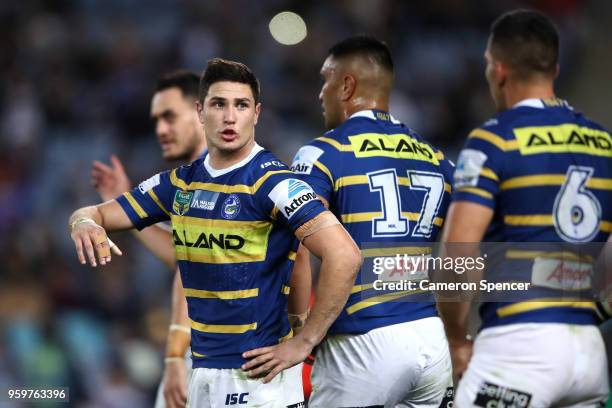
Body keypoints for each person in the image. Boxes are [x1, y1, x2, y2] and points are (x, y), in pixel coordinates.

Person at [69, 58, 362, 407]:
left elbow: (344, 254)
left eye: (241, 105)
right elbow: (98, 212)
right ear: (200, 110)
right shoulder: (179, 184)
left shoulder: (275, 183)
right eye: (218, 104)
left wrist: (305, 340)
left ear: (256, 113)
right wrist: (83, 222)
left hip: (258, 381)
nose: (229, 117)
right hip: (204, 373)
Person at [437, 9, 610, 406]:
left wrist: (456, 337)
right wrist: (597, 313)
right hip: (588, 354)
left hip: (519, 349)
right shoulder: (604, 144)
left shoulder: (495, 140)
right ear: (555, 68)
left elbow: (459, 254)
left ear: (498, 70)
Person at [271, 35, 455, 407]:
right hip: (432, 339)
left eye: (325, 80)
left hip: (361, 341)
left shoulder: (323, 152)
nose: (320, 93)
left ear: (347, 86)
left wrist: (302, 332)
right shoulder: (438, 159)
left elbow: (298, 248)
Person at [91, 70, 206, 408]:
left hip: (211, 349)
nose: (160, 130)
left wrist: (174, 356)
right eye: (156, 120)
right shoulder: (193, 179)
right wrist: (131, 207)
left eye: (170, 117)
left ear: (201, 113)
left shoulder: (213, 179)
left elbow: (190, 270)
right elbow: (181, 254)